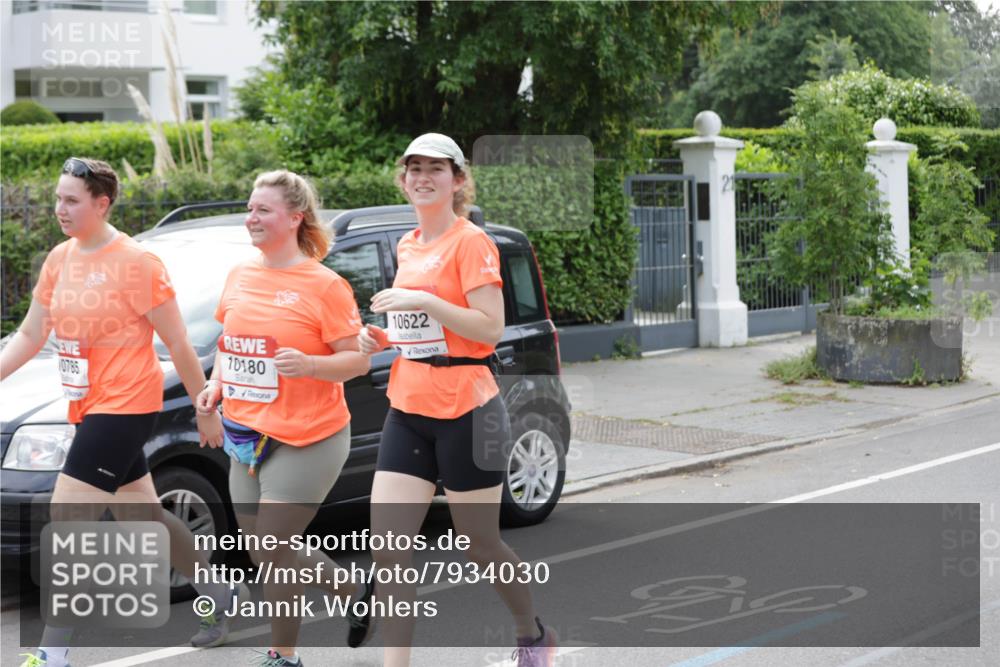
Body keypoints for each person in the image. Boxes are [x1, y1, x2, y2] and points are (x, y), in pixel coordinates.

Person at [2, 157, 235, 667]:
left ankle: (52, 653)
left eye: (72, 200)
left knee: (66, 518)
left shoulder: (137, 263)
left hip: (127, 403)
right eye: (59, 197)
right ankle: (217, 591)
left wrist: (205, 409)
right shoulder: (60, 258)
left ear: (102, 203)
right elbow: (29, 334)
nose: (59, 208)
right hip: (86, 404)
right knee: (143, 516)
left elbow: (177, 342)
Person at [354, 134, 558, 667]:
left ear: (458, 180)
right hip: (409, 405)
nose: (422, 177)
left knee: (480, 545)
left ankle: (531, 633)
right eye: (413, 168)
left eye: (435, 169)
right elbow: (422, 331)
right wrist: (383, 338)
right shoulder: (407, 243)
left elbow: (488, 331)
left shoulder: (472, 243)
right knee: (390, 550)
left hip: (468, 409)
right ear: (403, 178)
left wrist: (423, 298)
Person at [195, 170, 371, 667]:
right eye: (250, 208)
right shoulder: (240, 275)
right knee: (262, 550)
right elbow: (232, 345)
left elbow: (356, 360)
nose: (251, 218)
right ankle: (351, 587)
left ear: (295, 218)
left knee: (273, 547)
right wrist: (216, 383)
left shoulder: (325, 285)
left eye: (263, 210)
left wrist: (311, 364)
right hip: (246, 435)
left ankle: (283, 655)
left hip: (310, 436)